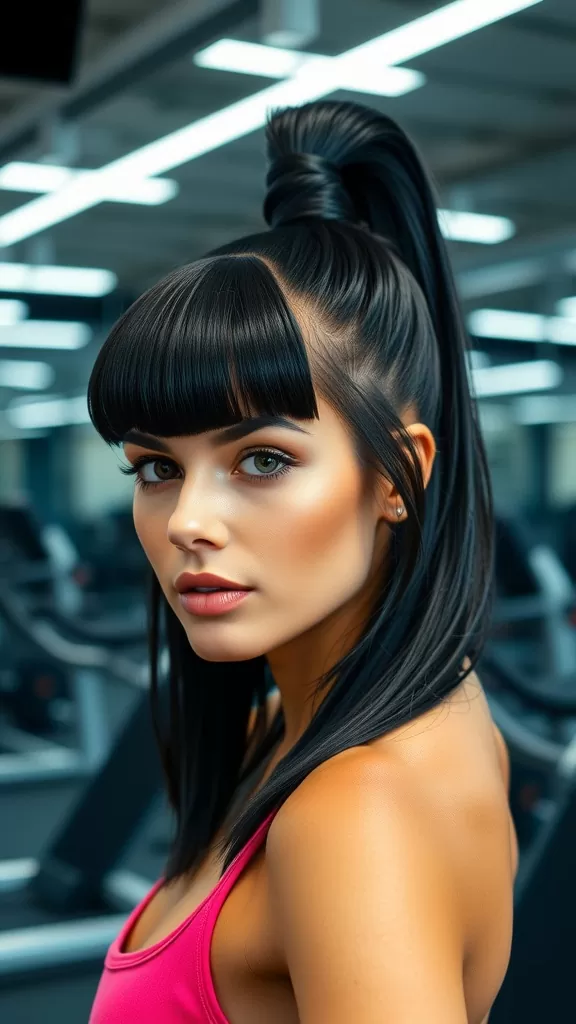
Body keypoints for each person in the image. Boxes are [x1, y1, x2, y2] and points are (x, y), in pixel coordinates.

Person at [87, 100, 518, 1024]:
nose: (188, 523)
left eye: (263, 460)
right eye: (158, 467)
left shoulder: (352, 811)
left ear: (399, 475)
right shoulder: (307, 728)